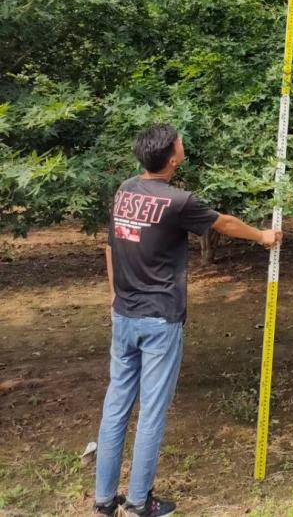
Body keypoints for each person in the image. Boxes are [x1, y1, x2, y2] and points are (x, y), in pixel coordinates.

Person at [93, 123, 282, 517]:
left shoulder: (125, 191)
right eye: (179, 144)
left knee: (116, 408)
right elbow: (224, 223)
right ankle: (140, 503)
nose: (182, 146)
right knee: (151, 413)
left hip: (124, 317)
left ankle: (103, 501)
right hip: (160, 321)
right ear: (172, 156)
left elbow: (111, 245)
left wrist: (115, 294)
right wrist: (263, 237)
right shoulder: (177, 201)